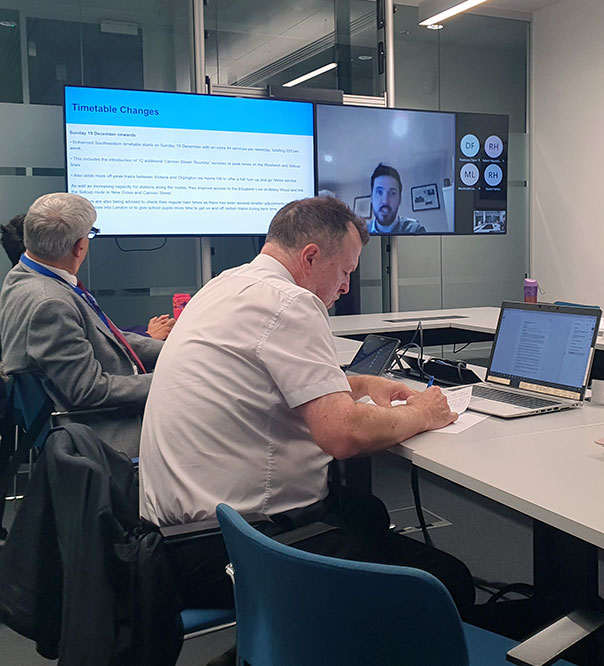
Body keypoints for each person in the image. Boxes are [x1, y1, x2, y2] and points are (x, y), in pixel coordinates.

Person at [139, 196, 474, 619]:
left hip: (177, 541)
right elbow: (343, 434)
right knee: (447, 581)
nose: (346, 287)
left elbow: (263, 385)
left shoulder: (226, 285)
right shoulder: (289, 301)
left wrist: (360, 383)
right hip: (235, 547)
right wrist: (424, 412)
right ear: (311, 257)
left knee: (366, 512)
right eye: (346, 271)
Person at [0, 193, 162, 457]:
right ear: (80, 246)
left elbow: (106, 335)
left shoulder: (24, 275)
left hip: (88, 418)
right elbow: (88, 390)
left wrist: (174, 350)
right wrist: (167, 380)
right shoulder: (51, 303)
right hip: (103, 432)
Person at [1, 212, 175, 341]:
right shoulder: (51, 303)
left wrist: (146, 336)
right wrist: (147, 336)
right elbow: (95, 356)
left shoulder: (18, 283)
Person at [367, 163, 426, 234]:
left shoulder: (415, 230)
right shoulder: (360, 233)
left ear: (400, 199)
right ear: (371, 197)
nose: (385, 201)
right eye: (379, 192)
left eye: (392, 193)